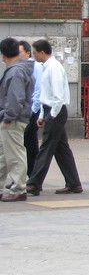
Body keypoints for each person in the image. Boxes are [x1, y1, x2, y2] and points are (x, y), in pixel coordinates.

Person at [24, 39, 83, 196]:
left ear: (42, 52)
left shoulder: (54, 69)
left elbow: (57, 96)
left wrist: (52, 115)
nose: (34, 55)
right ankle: (73, 183)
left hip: (55, 110)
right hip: (50, 109)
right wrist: (43, 114)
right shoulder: (47, 68)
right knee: (61, 148)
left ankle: (34, 183)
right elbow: (46, 95)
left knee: (46, 147)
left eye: (35, 52)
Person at [0, 37, 35, 202]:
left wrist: (8, 117)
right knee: (5, 154)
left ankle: (19, 188)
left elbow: (15, 97)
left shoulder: (15, 72)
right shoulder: (20, 69)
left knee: (14, 154)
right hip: (14, 117)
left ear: (3, 54)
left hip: (13, 119)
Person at [19, 40, 41, 176]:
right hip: (26, 109)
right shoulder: (20, 67)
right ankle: (33, 174)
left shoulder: (35, 67)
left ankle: (31, 174)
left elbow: (38, 89)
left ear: (28, 53)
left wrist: (33, 110)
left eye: (20, 51)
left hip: (33, 109)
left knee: (27, 142)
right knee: (30, 142)